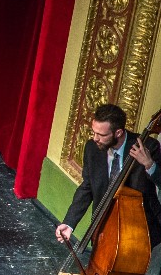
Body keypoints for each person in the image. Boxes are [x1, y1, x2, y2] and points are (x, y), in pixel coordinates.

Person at [55, 103, 161, 253]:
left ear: (118, 133)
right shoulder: (92, 148)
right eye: (94, 132)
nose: (95, 138)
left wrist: (150, 165)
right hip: (103, 228)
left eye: (102, 135)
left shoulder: (148, 146)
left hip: (141, 230)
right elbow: (87, 187)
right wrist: (70, 223)